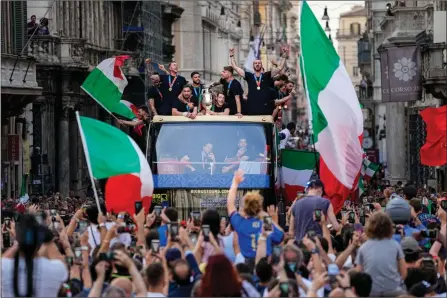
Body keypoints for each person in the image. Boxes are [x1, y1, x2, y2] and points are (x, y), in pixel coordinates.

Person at [1, 214, 68, 297]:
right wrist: (50, 241)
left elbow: (3, 259)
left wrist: (18, 241)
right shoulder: (57, 268)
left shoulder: (4, 266)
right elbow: (64, 265)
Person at [355, 211, 407, 296]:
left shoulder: (363, 248)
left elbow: (358, 273)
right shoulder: (395, 245)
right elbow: (404, 273)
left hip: (371, 292)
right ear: (389, 227)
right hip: (393, 290)